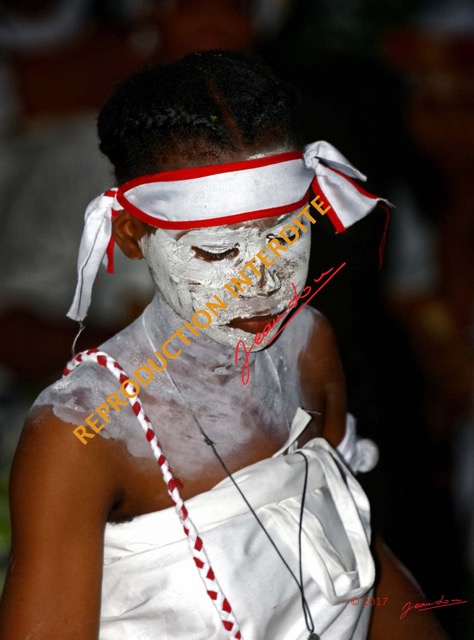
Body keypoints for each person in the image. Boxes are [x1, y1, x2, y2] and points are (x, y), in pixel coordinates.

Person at [0, 50, 449, 639]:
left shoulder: (307, 346)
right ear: (133, 236)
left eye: (287, 234)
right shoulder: (85, 433)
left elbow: (359, 560)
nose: (263, 281)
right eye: (217, 253)